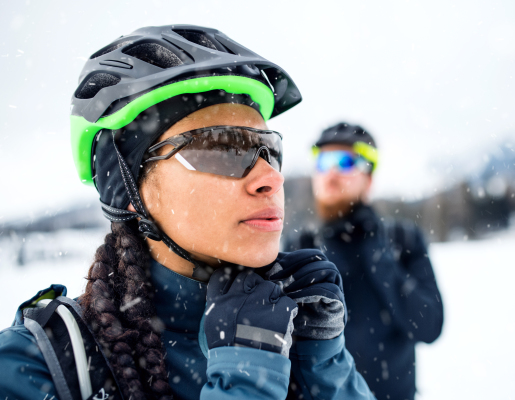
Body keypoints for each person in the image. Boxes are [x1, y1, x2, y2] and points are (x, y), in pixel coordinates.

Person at [0, 25, 374, 400]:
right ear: (130, 188)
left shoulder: (291, 327)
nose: (271, 178)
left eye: (268, 150)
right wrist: (247, 381)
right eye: (221, 148)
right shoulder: (36, 364)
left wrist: (323, 362)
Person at [284, 122, 444, 400]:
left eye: (345, 161)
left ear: (368, 178)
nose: (331, 172)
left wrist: (377, 254)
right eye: (322, 161)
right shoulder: (301, 247)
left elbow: (429, 325)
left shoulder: (401, 239)